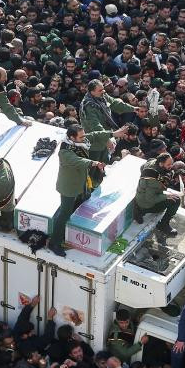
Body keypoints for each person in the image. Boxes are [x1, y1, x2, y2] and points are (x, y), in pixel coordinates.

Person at [48, 123, 106, 257]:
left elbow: (94, 135)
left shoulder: (79, 143)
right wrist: (94, 163)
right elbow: (78, 161)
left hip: (80, 184)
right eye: (81, 137)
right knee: (64, 213)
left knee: (69, 210)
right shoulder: (65, 151)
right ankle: (54, 241)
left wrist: (112, 134)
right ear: (72, 137)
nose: (84, 139)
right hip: (69, 187)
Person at [79, 79, 136, 162]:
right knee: (94, 169)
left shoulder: (102, 96)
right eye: (100, 90)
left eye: (103, 89)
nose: (103, 91)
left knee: (104, 167)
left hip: (105, 139)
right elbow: (95, 126)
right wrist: (107, 140)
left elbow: (114, 103)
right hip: (94, 145)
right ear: (92, 92)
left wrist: (133, 109)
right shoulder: (88, 106)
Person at [133, 151, 181, 236]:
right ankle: (163, 225)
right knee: (176, 200)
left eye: (171, 164)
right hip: (145, 203)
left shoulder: (153, 162)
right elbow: (150, 199)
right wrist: (166, 196)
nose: (171, 167)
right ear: (161, 164)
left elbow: (142, 167)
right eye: (168, 165)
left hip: (144, 194)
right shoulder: (153, 179)